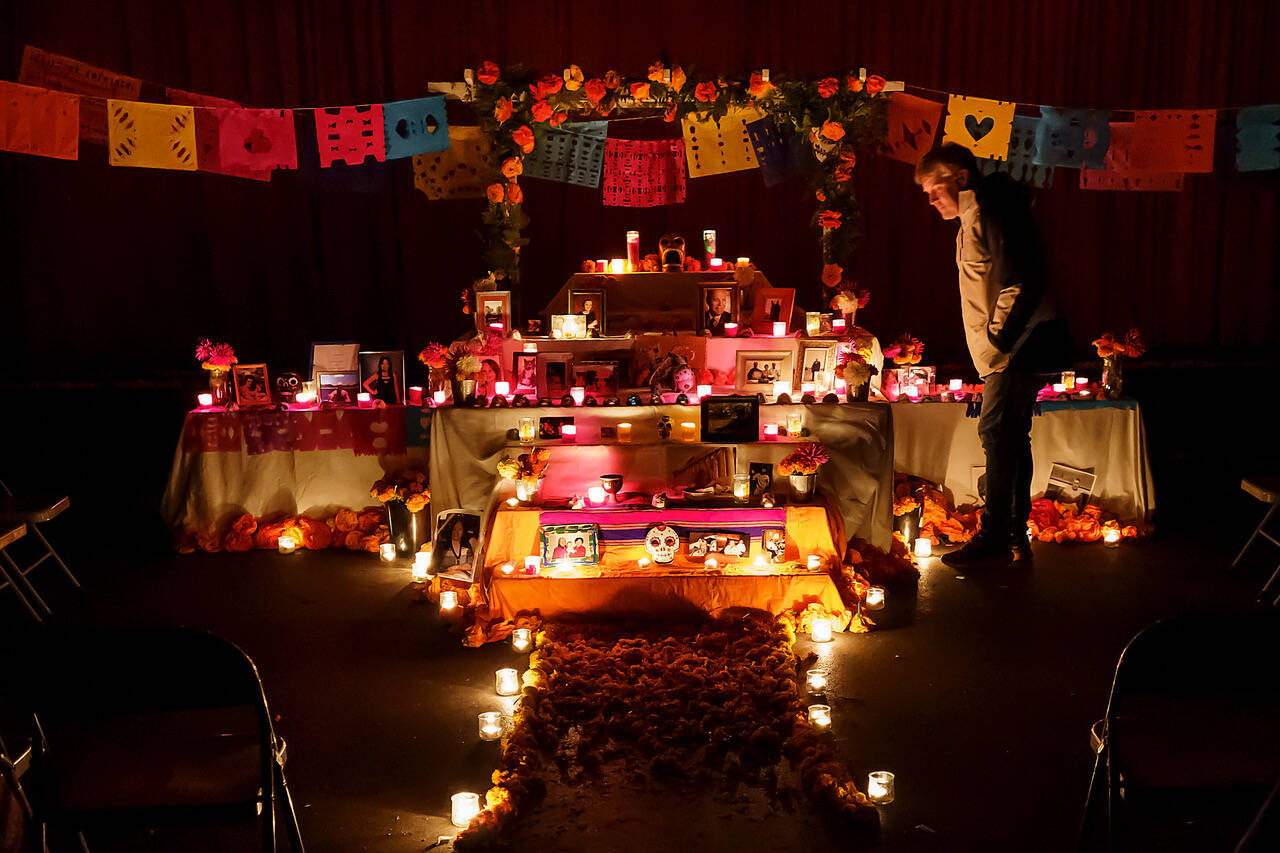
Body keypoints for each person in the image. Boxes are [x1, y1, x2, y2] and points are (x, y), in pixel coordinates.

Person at [915, 143, 1071, 567]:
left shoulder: (991, 212)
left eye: (935, 189)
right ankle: (1013, 534)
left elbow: (1021, 281)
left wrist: (997, 343)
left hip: (1016, 345)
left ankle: (996, 538)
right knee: (1009, 438)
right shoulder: (974, 217)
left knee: (998, 435)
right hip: (1009, 347)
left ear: (961, 179)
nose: (930, 200)